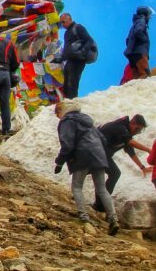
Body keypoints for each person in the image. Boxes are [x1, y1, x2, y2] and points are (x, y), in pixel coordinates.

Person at [54, 100, 119, 234]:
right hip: (98, 154)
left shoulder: (67, 121)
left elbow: (68, 144)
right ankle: (113, 218)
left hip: (81, 155)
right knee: (101, 188)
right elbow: (102, 138)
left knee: (77, 187)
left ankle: (84, 216)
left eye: (57, 114)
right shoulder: (87, 121)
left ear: (61, 111)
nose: (58, 117)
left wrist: (60, 162)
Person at [95, 115, 151, 210]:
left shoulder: (126, 133)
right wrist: (149, 150)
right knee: (114, 173)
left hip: (102, 155)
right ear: (132, 122)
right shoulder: (120, 127)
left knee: (113, 174)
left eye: (140, 130)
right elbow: (131, 143)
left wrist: (143, 167)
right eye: (137, 129)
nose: (137, 132)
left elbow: (130, 151)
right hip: (93, 152)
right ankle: (99, 204)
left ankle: (99, 205)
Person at [57, 12, 96, 99]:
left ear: (70, 19)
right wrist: (60, 58)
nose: (62, 24)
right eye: (61, 23)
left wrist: (82, 52)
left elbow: (89, 40)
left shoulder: (78, 28)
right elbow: (67, 49)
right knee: (66, 84)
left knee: (72, 83)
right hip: (69, 60)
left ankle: (73, 105)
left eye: (63, 22)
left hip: (78, 60)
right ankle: (68, 103)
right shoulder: (67, 33)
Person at [121, 6, 155, 83]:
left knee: (136, 77)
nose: (150, 17)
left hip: (132, 54)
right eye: (149, 15)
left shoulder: (135, 23)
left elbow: (127, 40)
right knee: (145, 75)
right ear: (145, 14)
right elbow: (138, 32)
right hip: (140, 53)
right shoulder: (141, 21)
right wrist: (144, 40)